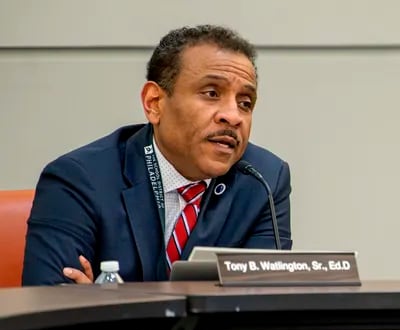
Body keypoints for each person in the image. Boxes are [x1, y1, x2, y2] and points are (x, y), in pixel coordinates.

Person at [22, 24, 292, 286]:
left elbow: (261, 306)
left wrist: (106, 307)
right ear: (154, 104)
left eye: (245, 103)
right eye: (211, 93)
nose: (233, 116)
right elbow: (52, 311)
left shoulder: (263, 181)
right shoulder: (79, 180)